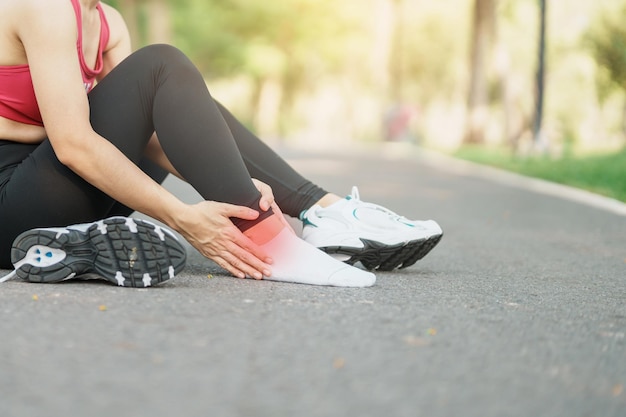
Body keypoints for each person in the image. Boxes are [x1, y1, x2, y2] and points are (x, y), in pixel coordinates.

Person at [0, 0, 442, 287]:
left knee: (161, 102)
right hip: (11, 201)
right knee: (161, 65)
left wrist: (236, 178)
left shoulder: (108, 22)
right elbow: (74, 144)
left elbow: (146, 133)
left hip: (52, 194)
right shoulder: (44, 7)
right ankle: (274, 243)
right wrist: (183, 217)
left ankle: (319, 210)